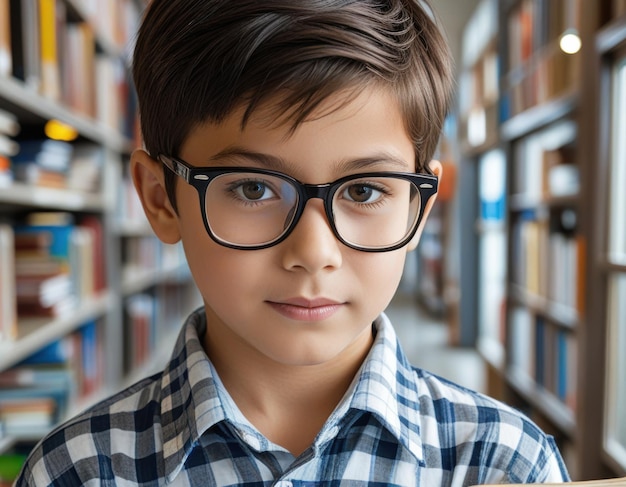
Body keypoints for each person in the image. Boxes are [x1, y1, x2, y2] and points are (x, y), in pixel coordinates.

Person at [16, 0, 570, 485]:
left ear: (418, 208)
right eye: (253, 188)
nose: (314, 252)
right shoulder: (79, 471)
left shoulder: (505, 464)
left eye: (365, 189)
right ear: (162, 200)